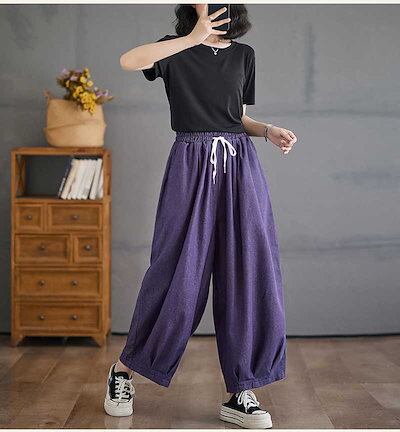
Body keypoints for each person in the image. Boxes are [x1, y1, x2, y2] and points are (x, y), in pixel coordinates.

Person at [104, 4, 297, 429]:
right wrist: (191, 38)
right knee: (176, 272)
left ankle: (241, 389)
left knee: (247, 269)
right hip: (190, 164)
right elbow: (128, 61)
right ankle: (123, 371)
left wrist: (267, 131)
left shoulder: (243, 55)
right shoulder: (173, 49)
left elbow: (236, 117)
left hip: (240, 165)